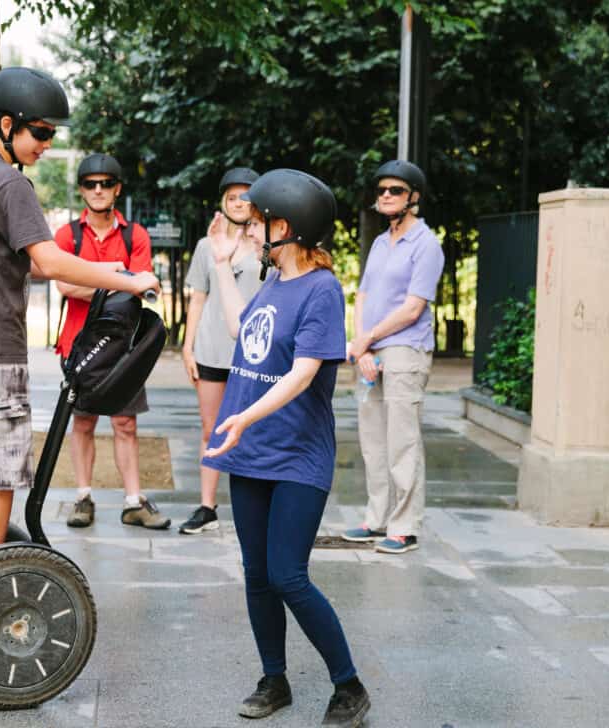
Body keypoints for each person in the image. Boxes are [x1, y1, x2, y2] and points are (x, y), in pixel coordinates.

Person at [0, 67, 160, 573]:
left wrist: (105, 269)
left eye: (51, 134)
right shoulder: (9, 183)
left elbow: (27, 260)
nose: (47, 143)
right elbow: (52, 261)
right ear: (8, 123)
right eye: (40, 131)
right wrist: (129, 280)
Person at [202, 169, 371, 726]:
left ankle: (349, 685)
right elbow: (238, 330)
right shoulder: (273, 282)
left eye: (262, 222)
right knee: (256, 574)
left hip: (298, 454)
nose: (253, 229)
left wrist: (243, 415)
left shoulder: (322, 290)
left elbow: (303, 374)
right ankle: (274, 679)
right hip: (252, 452)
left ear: (289, 227)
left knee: (288, 575)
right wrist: (224, 267)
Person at [56, 153, 169, 530]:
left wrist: (92, 283)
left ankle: (133, 502)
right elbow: (63, 283)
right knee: (83, 422)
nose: (98, 190)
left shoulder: (134, 235)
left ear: (117, 189)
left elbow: (139, 289)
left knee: (126, 424)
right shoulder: (66, 235)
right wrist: (121, 280)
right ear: (81, 190)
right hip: (78, 344)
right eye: (91, 184)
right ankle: (83, 497)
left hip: (125, 346)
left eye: (106, 183)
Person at [342, 160, 445, 555]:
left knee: (402, 439)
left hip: (406, 348)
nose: (385, 195)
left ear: (413, 197)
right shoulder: (382, 243)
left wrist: (368, 337)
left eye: (396, 190)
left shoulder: (426, 244)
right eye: (382, 190)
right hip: (372, 349)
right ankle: (377, 518)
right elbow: (363, 296)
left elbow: (413, 308)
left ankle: (404, 526)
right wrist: (362, 346)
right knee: (372, 439)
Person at [177, 166, 261, 535]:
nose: (239, 202)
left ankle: (257, 504)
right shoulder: (205, 246)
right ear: (223, 202)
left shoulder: (265, 244)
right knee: (211, 427)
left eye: (246, 196)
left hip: (254, 351)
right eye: (232, 196)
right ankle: (207, 506)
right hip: (212, 348)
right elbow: (198, 297)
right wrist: (188, 345)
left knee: (255, 426)